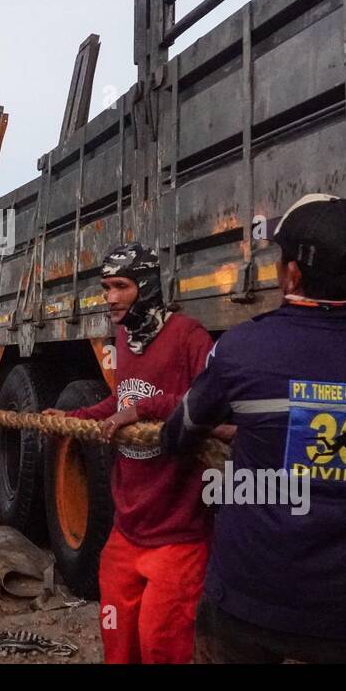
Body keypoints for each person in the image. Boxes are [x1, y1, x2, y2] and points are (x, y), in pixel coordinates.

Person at [162, 194, 346, 663]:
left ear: (293, 274)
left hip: (248, 606)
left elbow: (178, 434)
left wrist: (247, 430)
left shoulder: (243, 347)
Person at [45, 243, 215, 664]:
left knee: (162, 644)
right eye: (106, 287)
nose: (111, 297)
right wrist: (73, 418)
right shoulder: (124, 337)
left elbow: (212, 405)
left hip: (178, 532)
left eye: (121, 286)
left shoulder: (189, 336)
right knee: (118, 643)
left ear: (148, 287)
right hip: (127, 528)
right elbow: (122, 401)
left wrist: (145, 409)